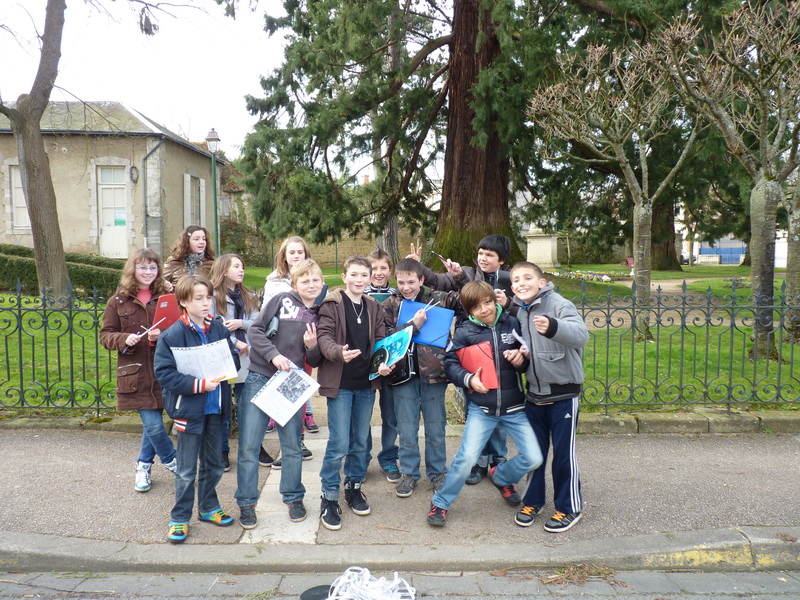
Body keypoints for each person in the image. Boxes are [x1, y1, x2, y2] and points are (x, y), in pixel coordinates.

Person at [426, 281, 543, 527]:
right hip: (482, 408)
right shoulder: (464, 331)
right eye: (476, 307)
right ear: (469, 311)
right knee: (466, 459)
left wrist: (520, 360)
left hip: (514, 408)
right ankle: (441, 501)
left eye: (487, 303)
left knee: (534, 457)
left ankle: (501, 476)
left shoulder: (512, 323)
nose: (484, 310)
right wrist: (469, 379)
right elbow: (450, 363)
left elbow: (526, 359)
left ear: (494, 300)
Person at [409, 235, 513, 484]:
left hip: (499, 346)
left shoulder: (509, 280)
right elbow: (437, 280)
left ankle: (498, 459)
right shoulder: (466, 272)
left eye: (489, 255)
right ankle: (478, 460)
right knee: (474, 404)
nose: (483, 258)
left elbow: (517, 310)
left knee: (499, 405)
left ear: (501, 260)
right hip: (471, 346)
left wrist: (508, 303)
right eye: (481, 253)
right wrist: (419, 266)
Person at [235, 259, 324, 528]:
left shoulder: (321, 314)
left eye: (315, 280)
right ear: (294, 284)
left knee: (292, 445)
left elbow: (316, 359)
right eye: (305, 280)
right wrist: (273, 356)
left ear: (322, 283)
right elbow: (255, 331)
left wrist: (312, 347)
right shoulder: (281, 300)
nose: (311, 285)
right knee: (250, 444)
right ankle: (247, 502)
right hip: (261, 376)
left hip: (290, 384)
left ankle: (294, 497)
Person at [154, 274, 238, 543]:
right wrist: (198, 384)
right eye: (198, 298)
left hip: (216, 409)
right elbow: (164, 373)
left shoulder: (219, 329)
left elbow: (232, 359)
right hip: (189, 410)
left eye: (208, 297)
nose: (206, 303)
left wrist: (227, 367)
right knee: (186, 469)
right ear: (183, 301)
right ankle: (180, 517)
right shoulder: (172, 335)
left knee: (214, 464)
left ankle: (208, 507)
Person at [507, 262, 588, 532]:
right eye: (516, 280)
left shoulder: (560, 305)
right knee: (534, 454)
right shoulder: (520, 311)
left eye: (527, 277)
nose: (521, 283)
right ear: (512, 287)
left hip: (563, 394)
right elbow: (527, 350)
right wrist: (520, 359)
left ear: (541, 282)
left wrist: (553, 326)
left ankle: (569, 507)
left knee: (563, 456)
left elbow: (581, 336)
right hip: (534, 395)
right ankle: (532, 501)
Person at [316, 255, 392, 530]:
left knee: (360, 442)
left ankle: (353, 486)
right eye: (354, 274)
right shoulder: (332, 304)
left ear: (370, 278)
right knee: (339, 443)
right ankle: (329, 496)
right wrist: (339, 352)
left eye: (364, 275)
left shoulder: (373, 306)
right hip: (341, 384)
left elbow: (381, 339)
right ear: (344, 276)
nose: (359, 280)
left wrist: (384, 362)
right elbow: (324, 337)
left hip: (365, 383)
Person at [382, 258, 460, 498]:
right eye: (401, 282)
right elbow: (385, 337)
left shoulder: (439, 298)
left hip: (434, 374)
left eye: (411, 282)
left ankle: (438, 472)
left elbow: (468, 300)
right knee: (406, 428)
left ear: (422, 280)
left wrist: (458, 277)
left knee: (436, 427)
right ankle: (409, 473)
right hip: (402, 375)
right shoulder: (391, 304)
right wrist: (412, 325)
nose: (406, 287)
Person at [100, 248, 176, 493]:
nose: (148, 272)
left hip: (163, 369)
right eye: (142, 267)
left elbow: (181, 328)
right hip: (135, 373)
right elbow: (105, 336)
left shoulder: (167, 298)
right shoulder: (117, 301)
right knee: (153, 425)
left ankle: (143, 465)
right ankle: (173, 461)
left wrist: (162, 335)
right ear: (132, 269)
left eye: (152, 267)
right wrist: (124, 339)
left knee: (152, 425)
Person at [261, 236, 318, 437]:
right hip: (281, 338)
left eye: (300, 252)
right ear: (284, 256)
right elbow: (265, 313)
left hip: (305, 339)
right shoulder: (273, 281)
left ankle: (303, 424)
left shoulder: (314, 276)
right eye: (292, 252)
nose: (296, 255)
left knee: (301, 383)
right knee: (279, 380)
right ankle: (274, 415)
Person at [208, 254, 259, 472]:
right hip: (222, 356)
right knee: (222, 407)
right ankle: (222, 449)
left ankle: (252, 448)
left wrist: (241, 323)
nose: (241, 270)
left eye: (242, 266)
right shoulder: (211, 297)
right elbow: (211, 327)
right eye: (236, 266)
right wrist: (235, 342)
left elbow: (259, 323)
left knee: (248, 405)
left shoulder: (250, 296)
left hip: (247, 356)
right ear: (223, 270)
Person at [361, 247, 400, 483]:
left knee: (390, 415)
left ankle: (389, 458)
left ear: (390, 270)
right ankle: (361, 458)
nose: (378, 272)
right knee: (362, 416)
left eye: (383, 268)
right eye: (373, 268)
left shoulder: (398, 295)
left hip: (390, 364)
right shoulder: (358, 294)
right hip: (364, 363)